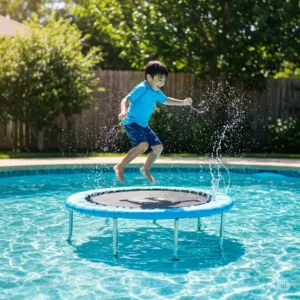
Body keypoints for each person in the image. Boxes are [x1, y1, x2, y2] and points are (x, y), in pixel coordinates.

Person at [113, 60, 193, 183]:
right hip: (131, 122)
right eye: (159, 79)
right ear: (149, 77)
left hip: (143, 125)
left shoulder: (156, 91)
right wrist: (123, 111)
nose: (162, 81)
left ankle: (145, 168)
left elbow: (166, 100)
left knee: (158, 148)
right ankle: (120, 166)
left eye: (164, 79)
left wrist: (183, 102)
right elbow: (125, 99)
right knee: (143, 146)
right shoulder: (142, 88)